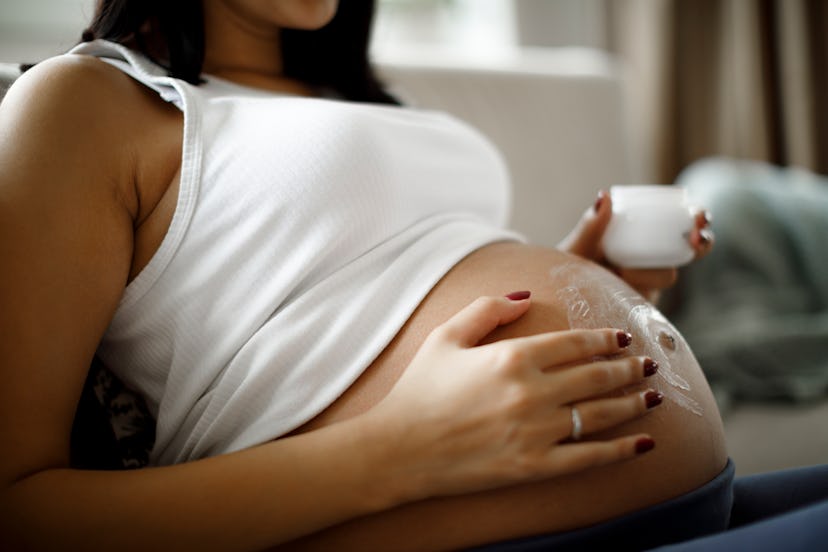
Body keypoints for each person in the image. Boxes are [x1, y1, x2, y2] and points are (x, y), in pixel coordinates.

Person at [0, 1, 824, 551]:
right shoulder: (82, 103)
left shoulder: (357, 98)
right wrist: (397, 452)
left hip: (666, 500)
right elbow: (20, 508)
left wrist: (585, 278)